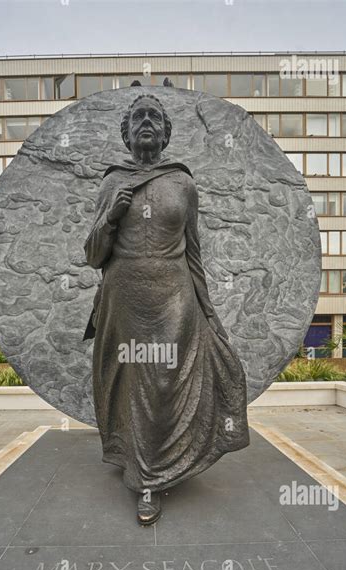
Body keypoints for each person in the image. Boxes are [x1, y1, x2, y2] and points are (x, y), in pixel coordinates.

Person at [84, 93, 249, 526]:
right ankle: (146, 481)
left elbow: (193, 253)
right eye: (137, 117)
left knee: (164, 387)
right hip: (125, 299)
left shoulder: (182, 183)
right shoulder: (111, 182)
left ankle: (163, 467)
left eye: (153, 117)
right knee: (133, 388)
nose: (145, 123)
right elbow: (93, 255)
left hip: (175, 298)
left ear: (165, 132)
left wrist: (210, 313)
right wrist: (109, 218)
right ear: (125, 133)